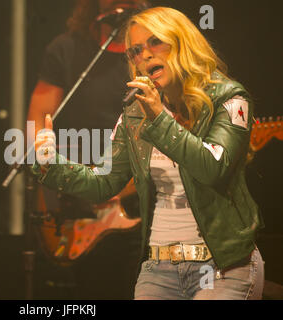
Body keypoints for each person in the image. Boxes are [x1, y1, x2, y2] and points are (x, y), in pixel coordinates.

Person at [33, 6, 265, 300]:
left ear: (182, 42)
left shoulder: (229, 98)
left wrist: (159, 119)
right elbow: (104, 183)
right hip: (159, 270)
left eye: (155, 42)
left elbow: (212, 168)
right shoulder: (135, 114)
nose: (145, 54)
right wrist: (51, 165)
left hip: (224, 267)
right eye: (135, 50)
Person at [27, 0, 150, 299]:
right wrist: (55, 174)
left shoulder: (151, 54)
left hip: (142, 202)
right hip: (79, 204)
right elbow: (36, 125)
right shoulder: (66, 49)